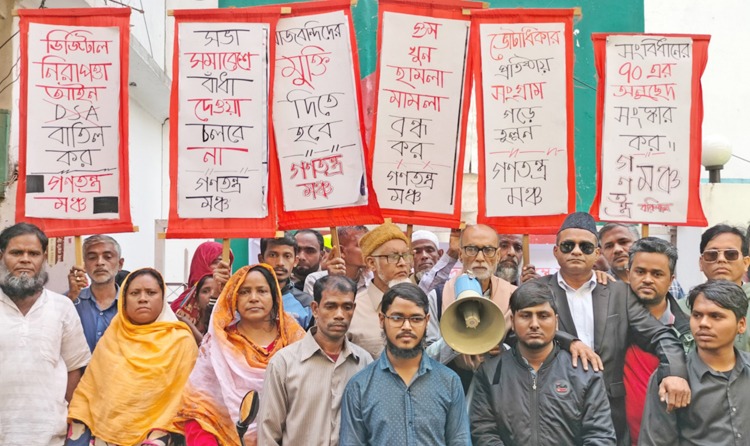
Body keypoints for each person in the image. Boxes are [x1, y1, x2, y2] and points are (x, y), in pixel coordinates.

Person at [535, 212, 690, 445]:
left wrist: (675, 374)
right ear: (556, 251)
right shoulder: (536, 291)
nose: (576, 251)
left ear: (597, 254)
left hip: (611, 410)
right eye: (568, 246)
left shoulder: (619, 293)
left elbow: (660, 334)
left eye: (585, 247)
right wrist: (569, 341)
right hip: (553, 407)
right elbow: (522, 331)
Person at [470, 281, 616, 445]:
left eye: (543, 316)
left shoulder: (584, 372)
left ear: (556, 321)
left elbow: (600, 436)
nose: (534, 324)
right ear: (512, 320)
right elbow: (483, 433)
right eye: (525, 315)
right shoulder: (490, 373)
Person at [175, 264, 305, 446]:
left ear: (275, 296)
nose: (253, 298)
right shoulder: (219, 344)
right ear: (233, 298)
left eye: (262, 291)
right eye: (244, 292)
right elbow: (199, 410)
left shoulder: (295, 341)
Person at [66, 268, 198, 445]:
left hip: (158, 435)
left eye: (151, 292)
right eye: (135, 293)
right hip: (104, 434)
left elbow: (183, 400)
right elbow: (90, 391)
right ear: (124, 300)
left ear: (163, 297)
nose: (143, 298)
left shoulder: (181, 341)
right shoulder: (112, 336)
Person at [340, 283, 470, 445]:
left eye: (416, 318)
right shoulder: (359, 387)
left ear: (427, 321)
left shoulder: (449, 382)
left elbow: (460, 441)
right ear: (382, 319)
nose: (406, 326)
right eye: (397, 318)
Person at [0, 223, 91, 445]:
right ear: (1, 257)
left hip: (50, 435)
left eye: (33, 253)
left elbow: (74, 368)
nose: (25, 259)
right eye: (16, 253)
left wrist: (70, 422)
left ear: (44, 259)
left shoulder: (62, 307)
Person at [257, 275, 372, 446]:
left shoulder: (364, 363)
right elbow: (268, 434)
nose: (340, 315)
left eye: (346, 307)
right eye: (331, 306)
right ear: (315, 309)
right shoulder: (284, 363)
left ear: (353, 309)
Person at [640, 280, 750, 445]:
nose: (703, 324)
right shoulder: (671, 379)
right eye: (697, 315)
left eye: (716, 316)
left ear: (741, 325)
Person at [621, 238, 691, 445]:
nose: (648, 279)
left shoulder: (691, 330)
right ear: (628, 273)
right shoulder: (610, 321)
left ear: (671, 280)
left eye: (657, 274)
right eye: (640, 272)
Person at [349, 222, 413, 358]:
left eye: (406, 255)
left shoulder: (420, 303)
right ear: (372, 263)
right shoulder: (353, 310)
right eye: (393, 257)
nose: (402, 263)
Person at [684, 224, 750, 352]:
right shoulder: (681, 308)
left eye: (731, 254)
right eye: (712, 255)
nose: (721, 260)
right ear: (701, 263)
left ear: (746, 263)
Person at [67, 234, 124, 352]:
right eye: (92, 257)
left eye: (107, 257)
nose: (99, 262)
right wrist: (70, 298)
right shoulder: (68, 301)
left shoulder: (130, 305)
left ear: (120, 264)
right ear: (84, 265)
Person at [599, 223, 685, 298]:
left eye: (623, 242)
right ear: (601, 252)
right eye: (609, 246)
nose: (617, 249)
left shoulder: (672, 286)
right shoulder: (599, 284)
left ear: (637, 242)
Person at [259, 235, 313, 329]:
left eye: (287, 256)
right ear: (261, 259)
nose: (280, 262)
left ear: (295, 261)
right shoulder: (247, 298)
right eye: (273, 255)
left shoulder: (306, 303)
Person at [304, 226, 372, 295]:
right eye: (362, 245)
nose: (369, 249)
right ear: (341, 251)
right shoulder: (314, 280)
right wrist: (333, 280)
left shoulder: (372, 278)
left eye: (370, 244)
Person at [171, 240, 234, 314]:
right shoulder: (179, 307)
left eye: (227, 262)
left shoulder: (235, 297)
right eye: (218, 261)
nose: (224, 267)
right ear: (201, 263)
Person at [175, 273, 217, 344]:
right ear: (196, 298)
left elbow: (210, 349)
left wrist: (190, 326)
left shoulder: (229, 324)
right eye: (205, 291)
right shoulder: (182, 324)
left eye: (216, 291)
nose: (211, 295)